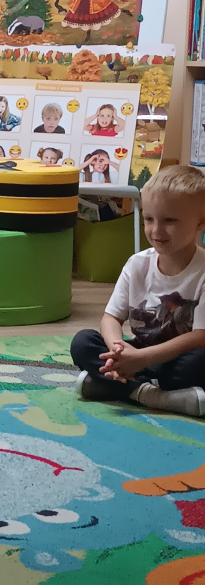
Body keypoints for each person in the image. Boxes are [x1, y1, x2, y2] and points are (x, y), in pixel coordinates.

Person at [72, 165, 205, 417]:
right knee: (83, 342)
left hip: (176, 360)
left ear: (200, 221)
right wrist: (119, 351)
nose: (156, 230)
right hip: (137, 355)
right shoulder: (137, 264)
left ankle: (112, 385)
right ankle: (152, 395)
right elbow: (111, 318)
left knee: (200, 361)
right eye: (149, 219)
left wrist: (141, 359)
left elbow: (200, 337)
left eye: (169, 220)